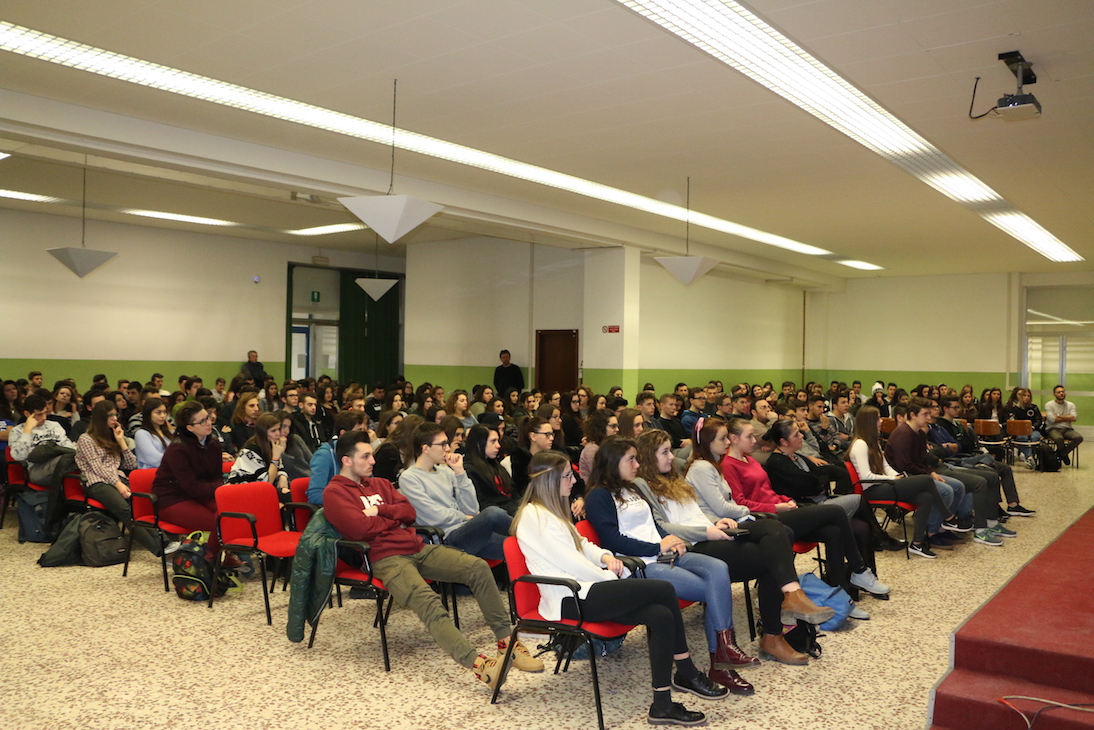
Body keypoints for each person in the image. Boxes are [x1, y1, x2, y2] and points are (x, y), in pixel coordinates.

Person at [514, 450, 721, 724]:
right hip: (569, 596)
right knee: (663, 589)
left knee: (659, 615)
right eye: (566, 475)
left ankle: (662, 703)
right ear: (549, 479)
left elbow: (582, 546)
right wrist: (613, 577)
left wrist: (605, 557)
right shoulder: (534, 517)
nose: (573, 480)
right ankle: (686, 670)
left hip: (586, 589)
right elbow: (572, 563)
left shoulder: (552, 510)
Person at [322, 430, 541, 689]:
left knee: (478, 567)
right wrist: (391, 518)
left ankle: (507, 642)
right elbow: (360, 529)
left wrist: (379, 511)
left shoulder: (380, 484)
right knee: (429, 601)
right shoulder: (334, 493)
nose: (373, 460)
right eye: (366, 456)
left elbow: (408, 512)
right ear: (347, 461)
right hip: (386, 559)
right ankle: (480, 665)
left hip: (417, 547)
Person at [585, 435, 760, 696]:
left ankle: (724, 652)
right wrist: (656, 547)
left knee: (718, 569)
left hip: (663, 553)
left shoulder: (632, 488)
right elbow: (612, 538)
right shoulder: (599, 495)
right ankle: (721, 662)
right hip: (642, 564)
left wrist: (669, 540)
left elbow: (652, 524)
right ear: (612, 462)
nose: (636, 464)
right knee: (711, 589)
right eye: (630, 459)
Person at [675, 424, 836, 665]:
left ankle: (778, 622)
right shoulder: (701, 467)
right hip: (713, 531)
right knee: (775, 532)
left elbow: (725, 506)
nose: (727, 442)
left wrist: (742, 512)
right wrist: (747, 510)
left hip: (728, 523)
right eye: (722, 438)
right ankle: (785, 607)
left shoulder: (714, 465)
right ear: (708, 442)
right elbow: (722, 508)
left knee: (783, 536)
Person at [718, 418, 889, 606]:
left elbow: (769, 491)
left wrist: (786, 500)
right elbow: (741, 503)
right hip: (768, 518)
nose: (755, 441)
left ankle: (841, 595)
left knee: (834, 531)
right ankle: (859, 570)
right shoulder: (729, 465)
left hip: (783, 508)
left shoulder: (750, 460)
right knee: (836, 512)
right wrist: (777, 507)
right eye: (749, 437)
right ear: (734, 439)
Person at [762, 418, 886, 575]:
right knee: (859, 500)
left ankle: (869, 574)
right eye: (796, 434)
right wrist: (817, 482)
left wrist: (816, 483)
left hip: (822, 502)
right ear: (784, 441)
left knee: (862, 527)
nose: (801, 436)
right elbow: (807, 485)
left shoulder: (798, 457)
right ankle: (880, 536)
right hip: (806, 511)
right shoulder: (777, 462)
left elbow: (823, 473)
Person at [885, 398, 1004, 550]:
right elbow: (904, 465)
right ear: (913, 415)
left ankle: (942, 528)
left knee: (958, 486)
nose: (929, 418)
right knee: (946, 491)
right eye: (925, 414)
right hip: (905, 479)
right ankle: (932, 533)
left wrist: (931, 472)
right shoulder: (903, 434)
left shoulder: (919, 433)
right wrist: (928, 474)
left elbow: (923, 460)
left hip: (919, 474)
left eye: (929, 414)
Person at [848, 405, 957, 559]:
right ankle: (948, 517)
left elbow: (886, 467)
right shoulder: (860, 444)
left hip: (884, 485)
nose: (881, 421)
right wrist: (892, 478)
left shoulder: (873, 442)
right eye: (878, 418)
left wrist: (898, 476)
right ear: (869, 422)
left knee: (926, 496)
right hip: (873, 490)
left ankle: (917, 544)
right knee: (926, 480)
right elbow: (867, 475)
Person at [398, 422, 511, 561]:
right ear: (426, 448)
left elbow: (472, 509)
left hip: (468, 531)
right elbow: (434, 516)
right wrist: (464, 517)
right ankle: (535, 536)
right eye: (443, 444)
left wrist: (460, 472)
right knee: (493, 514)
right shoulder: (409, 478)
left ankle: (536, 542)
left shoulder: (447, 471)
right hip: (446, 539)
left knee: (518, 548)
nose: (447, 448)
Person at [75, 400, 175, 556]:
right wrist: (117, 484)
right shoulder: (86, 439)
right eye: (110, 415)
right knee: (124, 510)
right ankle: (158, 549)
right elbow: (98, 468)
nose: (115, 418)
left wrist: (121, 441)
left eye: (116, 414)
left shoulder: (113, 435)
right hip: (97, 482)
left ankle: (166, 542)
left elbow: (131, 464)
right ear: (101, 417)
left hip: (117, 478)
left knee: (142, 504)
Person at [150, 401, 228, 557]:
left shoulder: (213, 443)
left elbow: (216, 477)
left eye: (208, 417)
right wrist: (220, 488)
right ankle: (208, 564)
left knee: (228, 514)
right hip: (172, 498)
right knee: (220, 522)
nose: (209, 422)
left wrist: (220, 488)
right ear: (190, 428)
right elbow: (191, 487)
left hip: (201, 492)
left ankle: (217, 559)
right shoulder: (178, 448)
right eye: (202, 421)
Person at [306, 410, 370, 504]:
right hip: (339, 509)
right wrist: (348, 501)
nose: (363, 436)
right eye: (358, 431)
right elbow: (315, 495)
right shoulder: (324, 455)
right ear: (343, 433)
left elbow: (369, 483)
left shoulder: (361, 453)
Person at [227, 413, 290, 501]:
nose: (278, 434)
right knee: (285, 496)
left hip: (260, 488)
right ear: (263, 432)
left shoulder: (271, 445)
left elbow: (279, 469)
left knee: (289, 492)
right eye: (273, 431)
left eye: (278, 429)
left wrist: (282, 476)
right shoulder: (250, 450)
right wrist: (275, 458)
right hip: (243, 492)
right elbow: (265, 483)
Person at [464, 424, 520, 515]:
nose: (498, 446)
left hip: (512, 509)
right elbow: (482, 504)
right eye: (493, 441)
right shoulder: (469, 469)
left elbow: (513, 492)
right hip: (497, 515)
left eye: (498, 441)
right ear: (479, 444)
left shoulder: (496, 464)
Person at [1045, 384, 1083, 465]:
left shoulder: (1070, 405)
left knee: (1078, 438)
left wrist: (1058, 416)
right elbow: (1052, 419)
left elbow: (1074, 418)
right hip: (1053, 429)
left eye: (1063, 391)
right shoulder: (1049, 404)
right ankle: (1063, 455)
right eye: (1059, 392)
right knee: (1059, 438)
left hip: (1067, 429)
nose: (1061, 393)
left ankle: (1060, 454)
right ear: (1054, 394)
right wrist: (1067, 418)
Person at [578, 409, 619, 482]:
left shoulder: (607, 446)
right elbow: (602, 476)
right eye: (613, 426)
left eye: (617, 426)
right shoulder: (592, 450)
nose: (617, 429)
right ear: (601, 428)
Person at [134, 397, 174, 470]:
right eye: (158, 412)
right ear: (149, 414)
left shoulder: (170, 432)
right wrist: (179, 460)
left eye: (165, 412)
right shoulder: (141, 434)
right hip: (151, 473)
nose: (163, 416)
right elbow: (154, 458)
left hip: (171, 470)